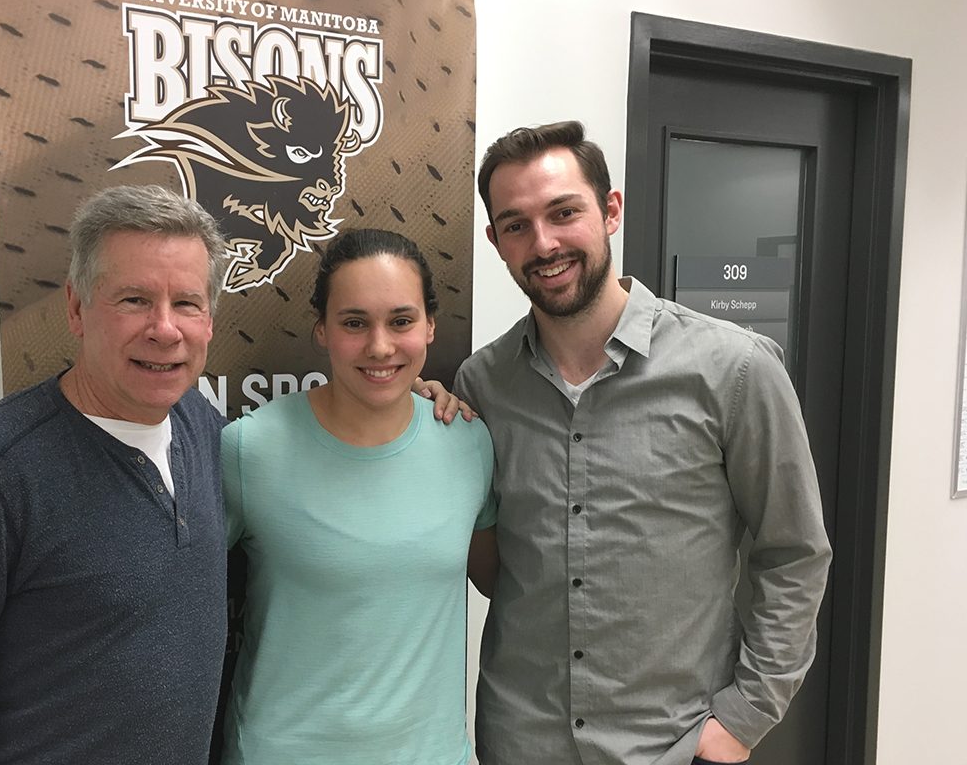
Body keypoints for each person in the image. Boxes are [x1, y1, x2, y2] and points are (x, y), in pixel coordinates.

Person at [455, 121, 832, 765]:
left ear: (610, 210)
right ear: (495, 240)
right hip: (520, 741)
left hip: (674, 747)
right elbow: (499, 566)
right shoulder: (483, 385)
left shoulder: (734, 369)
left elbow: (793, 553)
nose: (543, 243)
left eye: (563, 212)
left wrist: (744, 718)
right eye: (516, 224)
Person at [0, 185, 230, 764]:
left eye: (187, 303)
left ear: (210, 321)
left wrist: (412, 401)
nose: (165, 329)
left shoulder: (200, 424)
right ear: (75, 308)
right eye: (135, 300)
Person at [220, 228, 498, 765]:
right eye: (354, 322)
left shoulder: (469, 443)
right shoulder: (249, 449)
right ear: (321, 330)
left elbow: (503, 583)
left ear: (431, 326)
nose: (379, 346)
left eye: (401, 320)